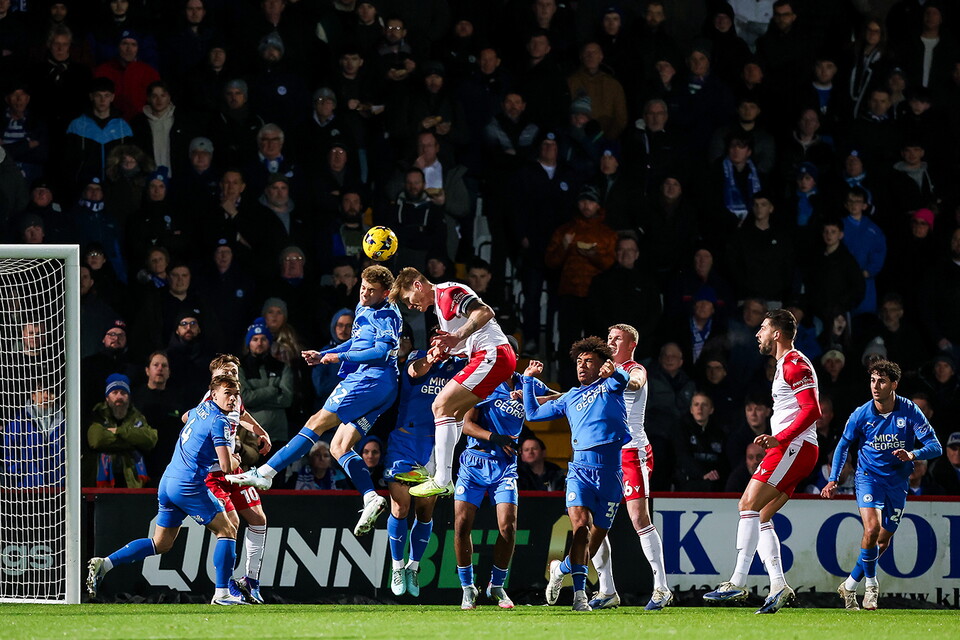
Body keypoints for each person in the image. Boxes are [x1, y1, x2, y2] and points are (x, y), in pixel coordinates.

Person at [227, 265, 401, 537]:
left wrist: (338, 358)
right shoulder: (365, 306)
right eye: (363, 288)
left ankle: (266, 472)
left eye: (371, 291)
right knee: (339, 447)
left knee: (316, 421)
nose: (365, 294)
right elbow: (356, 342)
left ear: (386, 292)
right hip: (378, 387)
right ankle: (370, 497)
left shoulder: (387, 313)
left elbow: (382, 350)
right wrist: (324, 354)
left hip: (372, 379)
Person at [86, 374, 249, 605]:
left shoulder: (199, 410)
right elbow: (225, 467)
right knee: (228, 530)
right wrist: (234, 458)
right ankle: (222, 594)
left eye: (235, 394)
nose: (232, 399)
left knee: (161, 543)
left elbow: (185, 417)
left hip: (168, 481)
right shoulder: (220, 421)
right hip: (189, 485)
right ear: (214, 395)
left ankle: (106, 563)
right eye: (227, 393)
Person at [704, 309, 821, 614]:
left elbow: (813, 411)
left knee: (747, 505)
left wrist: (780, 439)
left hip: (794, 447)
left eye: (763, 328)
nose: (758, 334)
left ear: (777, 334)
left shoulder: (795, 363)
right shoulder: (786, 364)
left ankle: (737, 582)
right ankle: (779, 585)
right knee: (762, 516)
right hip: (796, 448)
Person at [821, 359, 942, 611]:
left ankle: (850, 585)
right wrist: (833, 478)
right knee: (872, 529)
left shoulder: (909, 410)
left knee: (882, 541)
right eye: (873, 380)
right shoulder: (861, 413)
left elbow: (935, 447)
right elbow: (843, 445)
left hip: (897, 481)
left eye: (882, 381)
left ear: (894, 385)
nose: (875, 386)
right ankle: (872, 587)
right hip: (868, 478)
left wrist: (912, 454)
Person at [389, 267, 516, 498]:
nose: (409, 306)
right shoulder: (440, 306)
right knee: (453, 413)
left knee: (440, 406)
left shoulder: (448, 292)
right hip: (490, 357)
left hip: (493, 354)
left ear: (418, 286)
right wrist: (445, 349)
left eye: (408, 299)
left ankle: (443, 479)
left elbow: (484, 312)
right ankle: (434, 470)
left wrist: (456, 337)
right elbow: (461, 344)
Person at [525, 337, 629, 612]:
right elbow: (532, 413)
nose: (582, 367)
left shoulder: (610, 385)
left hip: (610, 474)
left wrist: (614, 371)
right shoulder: (570, 396)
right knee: (580, 528)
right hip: (580, 471)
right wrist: (527, 381)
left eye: (588, 362)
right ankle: (580, 597)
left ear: (601, 365)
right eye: (579, 362)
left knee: (590, 546)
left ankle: (560, 569)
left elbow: (623, 379)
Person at [455, 337, 546, 610]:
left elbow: (554, 399)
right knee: (461, 525)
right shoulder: (481, 382)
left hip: (504, 468)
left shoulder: (523, 381)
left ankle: (497, 585)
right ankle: (467, 587)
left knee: (507, 527)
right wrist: (496, 437)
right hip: (474, 462)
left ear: (513, 357)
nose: (498, 359)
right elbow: (465, 424)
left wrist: (529, 390)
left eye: (504, 354)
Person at [588, 324, 673, 611]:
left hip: (632, 453)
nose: (610, 342)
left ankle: (661, 588)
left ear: (631, 344)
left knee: (639, 519)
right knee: (596, 521)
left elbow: (634, 382)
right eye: (609, 337)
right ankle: (607, 590)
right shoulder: (602, 373)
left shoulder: (635, 369)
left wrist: (617, 374)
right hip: (606, 455)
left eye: (617, 339)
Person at [383, 331, 466, 598]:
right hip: (405, 442)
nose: (442, 345)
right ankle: (397, 566)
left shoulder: (460, 365)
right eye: (438, 340)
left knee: (425, 512)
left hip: (435, 448)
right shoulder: (420, 356)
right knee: (400, 506)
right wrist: (431, 358)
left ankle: (414, 566)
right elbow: (414, 372)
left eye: (447, 341)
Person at [194, 354, 272, 605]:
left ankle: (251, 581)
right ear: (213, 379)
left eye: (235, 372)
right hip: (213, 474)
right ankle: (226, 587)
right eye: (225, 372)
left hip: (233, 473)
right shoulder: (208, 404)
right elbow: (187, 419)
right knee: (231, 524)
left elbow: (242, 414)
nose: (231, 376)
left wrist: (260, 431)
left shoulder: (233, 398)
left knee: (258, 518)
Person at [86, 373, 157, 488]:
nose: (119, 397)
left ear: (128, 397)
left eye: (123, 393)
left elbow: (149, 439)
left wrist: (118, 431)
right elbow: (97, 440)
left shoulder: (137, 416)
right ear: (107, 397)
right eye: (114, 393)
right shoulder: (98, 415)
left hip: (132, 482)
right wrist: (132, 442)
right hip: (100, 485)